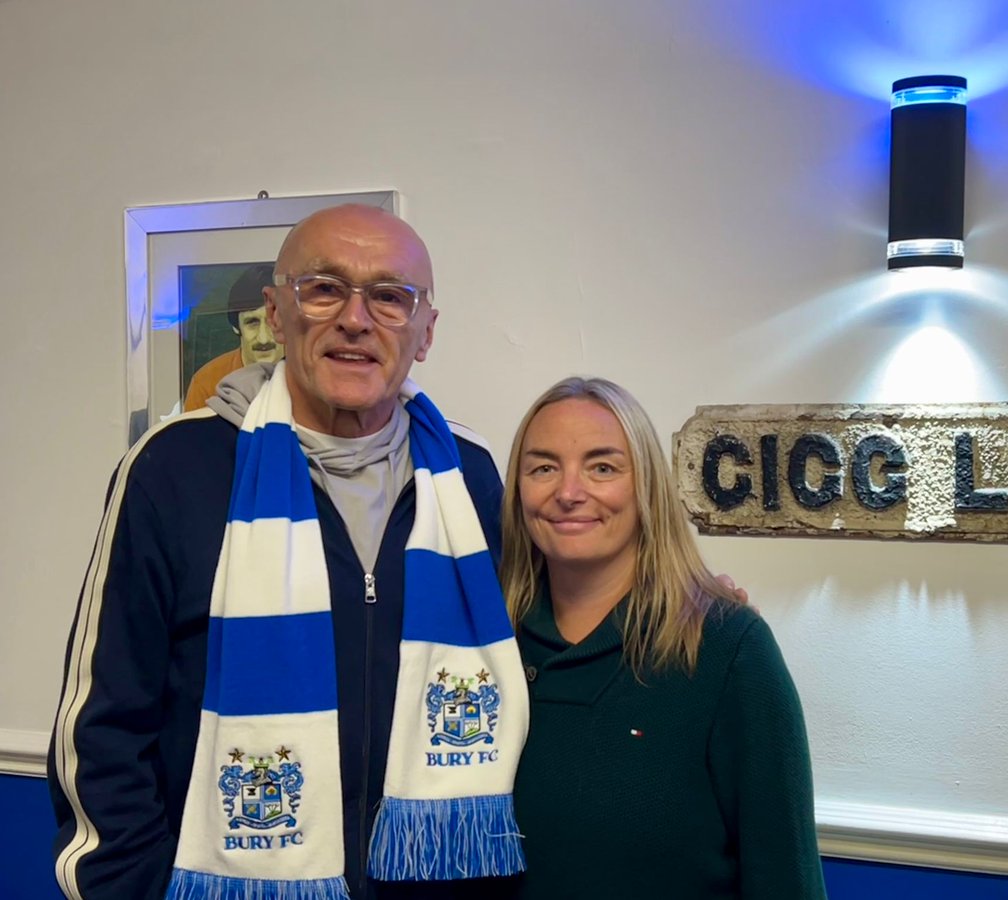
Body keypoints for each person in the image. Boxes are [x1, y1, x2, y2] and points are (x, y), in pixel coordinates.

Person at [49, 204, 528, 899]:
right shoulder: (172, 471)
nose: (356, 320)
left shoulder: (471, 476)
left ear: (425, 332)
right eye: (325, 288)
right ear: (277, 314)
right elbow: (104, 725)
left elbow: (546, 636)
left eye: (391, 297)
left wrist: (695, 603)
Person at [499, 377, 827, 899]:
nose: (567, 492)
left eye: (602, 467)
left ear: (646, 484)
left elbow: (785, 880)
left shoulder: (727, 649)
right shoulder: (483, 644)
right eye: (542, 467)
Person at [183, 262, 286, 412]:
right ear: (235, 326)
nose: (264, 338)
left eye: (273, 321)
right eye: (252, 323)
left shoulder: (311, 374)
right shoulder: (205, 383)